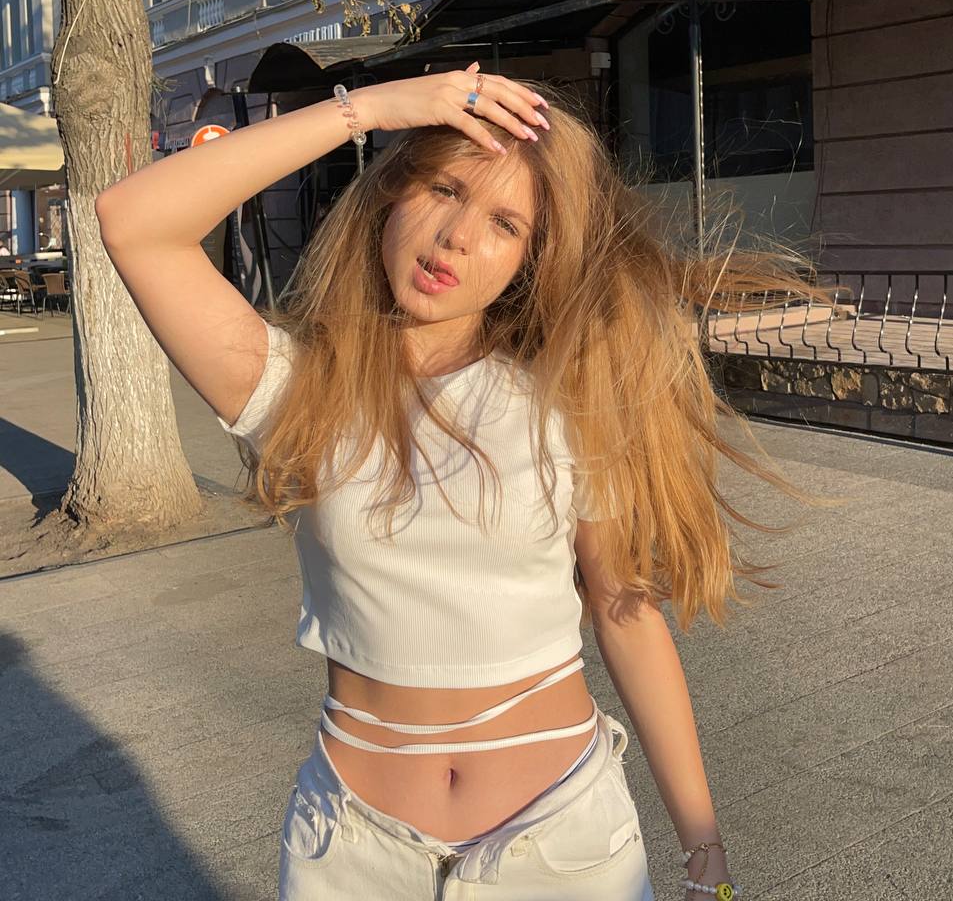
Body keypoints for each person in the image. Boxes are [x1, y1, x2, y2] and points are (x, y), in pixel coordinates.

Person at [95, 63, 841, 900]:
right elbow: (134, 222)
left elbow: (625, 613)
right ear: (390, 196)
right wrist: (370, 108)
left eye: (504, 223)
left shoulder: (568, 398)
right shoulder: (296, 388)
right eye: (443, 189)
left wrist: (704, 849)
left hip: (562, 849)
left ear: (530, 259)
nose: (455, 236)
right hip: (351, 856)